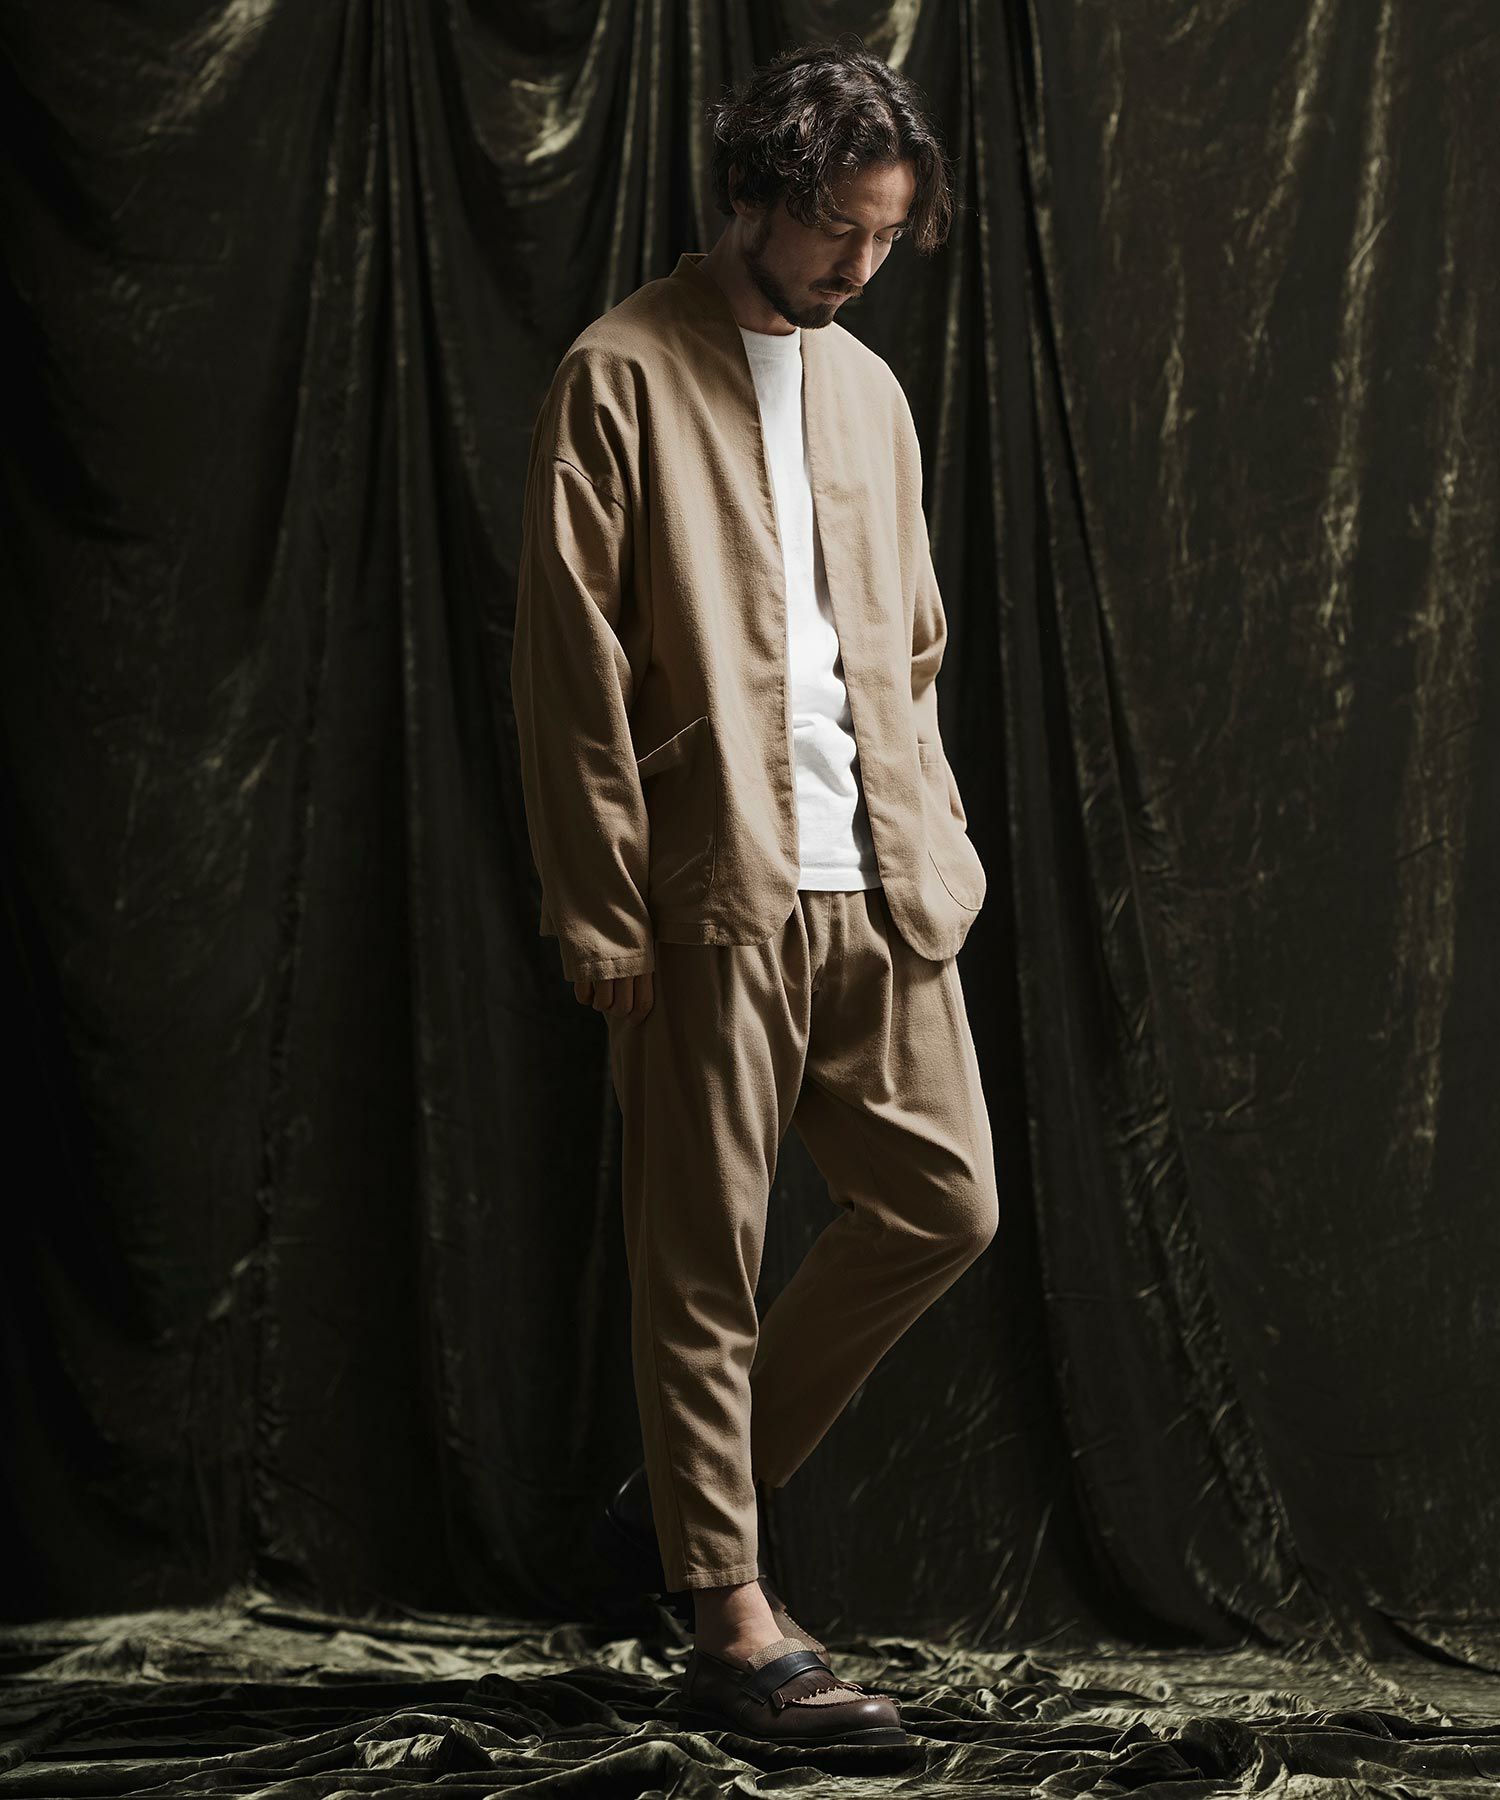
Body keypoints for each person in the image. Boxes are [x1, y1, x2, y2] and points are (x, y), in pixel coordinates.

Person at [511, 37, 998, 1745]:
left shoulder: (870, 391)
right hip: (710, 882)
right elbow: (566, 662)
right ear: (755, 197)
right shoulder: (620, 371)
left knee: (946, 1206)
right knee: (700, 1259)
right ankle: (729, 1618)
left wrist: (933, 827)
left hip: (884, 880)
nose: (860, 265)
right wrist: (599, 901)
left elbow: (913, 645)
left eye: (886, 237)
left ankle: (679, 1509)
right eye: (836, 231)